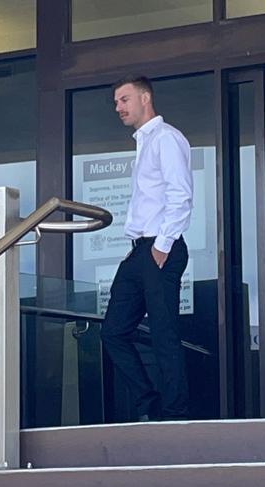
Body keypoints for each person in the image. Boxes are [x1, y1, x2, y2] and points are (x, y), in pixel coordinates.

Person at [101, 75, 193, 422]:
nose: (118, 107)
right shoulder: (144, 143)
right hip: (139, 251)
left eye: (124, 99)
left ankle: (174, 415)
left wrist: (163, 244)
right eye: (116, 102)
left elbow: (180, 194)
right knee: (113, 331)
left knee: (165, 335)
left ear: (145, 98)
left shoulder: (166, 139)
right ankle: (148, 402)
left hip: (160, 247)